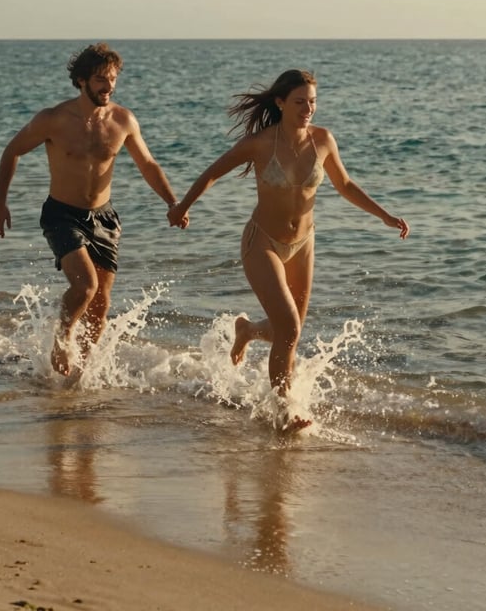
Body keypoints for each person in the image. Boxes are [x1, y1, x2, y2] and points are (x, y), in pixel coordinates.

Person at [167, 69, 409, 431]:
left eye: (312, 101)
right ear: (280, 103)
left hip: (303, 245)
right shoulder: (260, 143)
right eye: (300, 102)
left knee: (288, 332)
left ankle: (248, 330)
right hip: (262, 242)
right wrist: (182, 207)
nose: (308, 108)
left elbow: (345, 184)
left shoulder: (323, 140)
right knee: (291, 329)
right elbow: (212, 173)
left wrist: (384, 215)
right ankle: (285, 409)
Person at [0, 43, 188, 378]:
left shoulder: (122, 120)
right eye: (100, 79)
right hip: (61, 214)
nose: (108, 86)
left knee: (100, 305)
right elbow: (12, 152)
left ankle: (79, 376)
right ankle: (62, 340)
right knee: (84, 287)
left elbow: (149, 164)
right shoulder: (53, 119)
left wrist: (172, 202)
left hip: (105, 218)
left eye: (112, 79)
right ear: (82, 81)